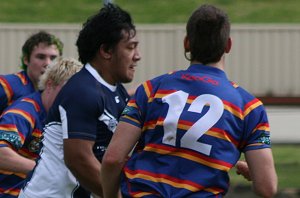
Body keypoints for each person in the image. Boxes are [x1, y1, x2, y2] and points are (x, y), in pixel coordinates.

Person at [101, 4, 278, 198]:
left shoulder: (151, 90)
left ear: (187, 43)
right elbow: (267, 188)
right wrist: (256, 174)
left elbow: (112, 159)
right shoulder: (249, 108)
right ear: (228, 45)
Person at [19, 3, 140, 198]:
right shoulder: (82, 91)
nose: (137, 56)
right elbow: (78, 159)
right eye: (130, 47)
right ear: (106, 51)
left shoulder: (117, 91)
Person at [0, 58, 82, 198]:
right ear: (50, 85)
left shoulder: (69, 116)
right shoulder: (24, 113)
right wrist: (43, 170)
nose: (73, 99)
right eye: (68, 91)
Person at [0, 31, 63, 113]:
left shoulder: (56, 92)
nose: (48, 63)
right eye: (41, 57)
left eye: (53, 58)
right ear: (26, 59)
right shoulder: (8, 85)